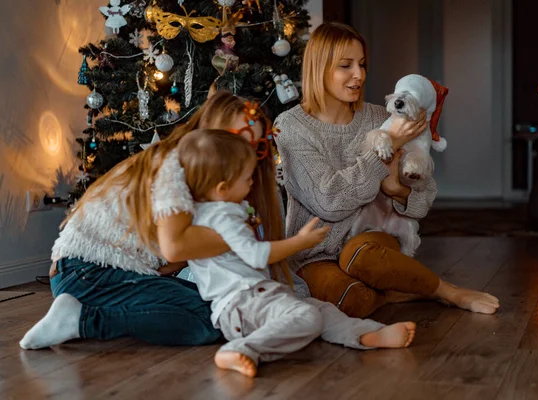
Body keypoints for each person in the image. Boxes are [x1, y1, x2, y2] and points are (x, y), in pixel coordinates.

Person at [19, 91, 292, 349]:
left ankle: (93, 310)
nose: (243, 153)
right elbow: (176, 247)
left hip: (109, 272)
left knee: (226, 307)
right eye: (236, 138)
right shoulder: (173, 165)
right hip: (86, 273)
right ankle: (84, 320)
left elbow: (171, 258)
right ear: (210, 132)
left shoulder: (203, 177)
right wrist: (241, 235)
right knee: (218, 321)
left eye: (255, 147)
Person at [274, 22, 500, 318]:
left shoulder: (383, 117)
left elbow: (425, 195)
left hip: (369, 244)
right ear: (319, 67)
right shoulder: (291, 126)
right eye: (346, 65)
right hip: (315, 254)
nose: (359, 75)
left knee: (361, 257)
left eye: (362, 64)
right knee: (352, 300)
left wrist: (398, 191)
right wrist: (388, 145)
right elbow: (329, 201)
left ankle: (448, 292)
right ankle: (398, 290)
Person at [180, 128, 417, 378]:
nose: (252, 183)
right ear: (222, 188)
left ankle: (364, 334)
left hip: (258, 297)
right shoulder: (221, 216)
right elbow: (256, 256)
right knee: (307, 316)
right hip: (243, 304)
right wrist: (300, 242)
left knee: (320, 309)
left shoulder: (220, 210)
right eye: (246, 178)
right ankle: (241, 349)